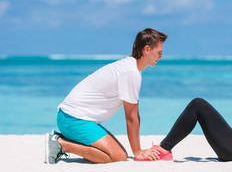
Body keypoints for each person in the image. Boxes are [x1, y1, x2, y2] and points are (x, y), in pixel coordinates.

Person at [45, 28, 167, 164]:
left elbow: (134, 115)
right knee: (118, 157)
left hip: (71, 118)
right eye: (159, 52)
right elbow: (131, 117)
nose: (161, 57)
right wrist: (138, 152)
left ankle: (63, 139)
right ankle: (62, 144)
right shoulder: (130, 72)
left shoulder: (129, 67)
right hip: (73, 119)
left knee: (118, 153)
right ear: (147, 49)